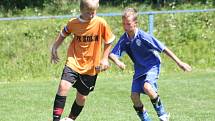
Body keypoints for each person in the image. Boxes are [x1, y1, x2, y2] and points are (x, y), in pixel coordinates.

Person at [109, 8, 192, 121]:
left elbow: (163, 48)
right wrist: (118, 62)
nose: (125, 27)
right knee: (134, 97)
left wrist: (179, 62)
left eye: (128, 24)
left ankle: (163, 114)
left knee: (147, 87)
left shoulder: (143, 36)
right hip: (139, 69)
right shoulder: (124, 39)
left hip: (152, 66)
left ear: (135, 23)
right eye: (123, 24)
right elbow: (112, 54)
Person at [51, 0, 115, 121]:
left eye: (93, 12)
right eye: (88, 12)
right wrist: (54, 47)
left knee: (81, 98)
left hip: (91, 66)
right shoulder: (73, 23)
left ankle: (71, 118)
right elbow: (63, 33)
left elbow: (109, 40)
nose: (91, 15)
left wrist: (105, 58)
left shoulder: (101, 22)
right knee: (63, 86)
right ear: (81, 10)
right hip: (73, 61)